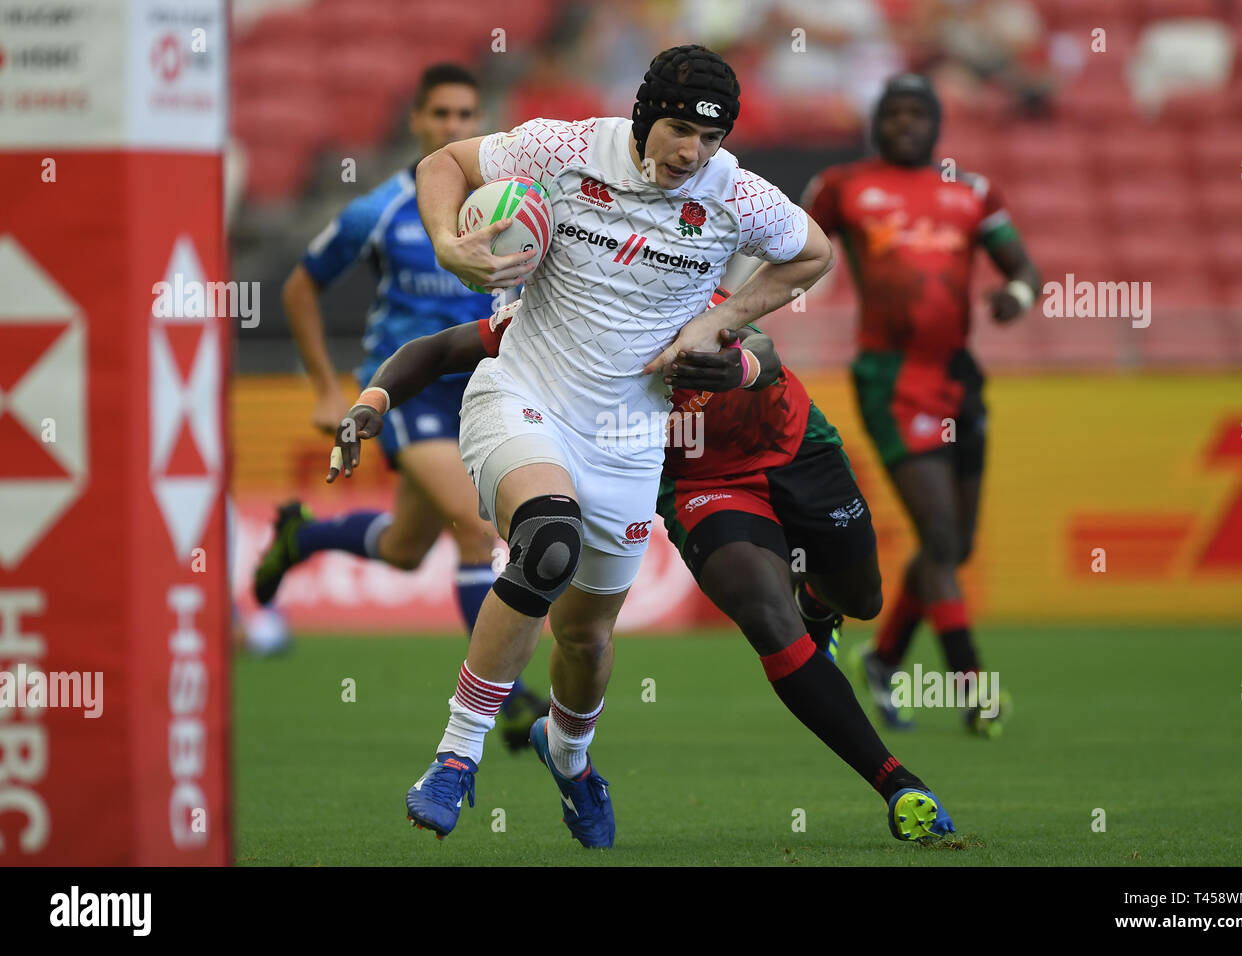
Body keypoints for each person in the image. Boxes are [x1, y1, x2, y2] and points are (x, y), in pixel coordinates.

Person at [399, 44, 834, 847]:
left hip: (630, 438)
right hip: (524, 395)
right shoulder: (565, 149)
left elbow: (814, 254)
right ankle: (455, 756)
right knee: (547, 541)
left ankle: (569, 755)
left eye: (708, 139)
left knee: (587, 637)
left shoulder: (734, 192)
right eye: (676, 131)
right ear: (643, 119)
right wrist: (446, 242)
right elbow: (444, 164)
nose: (689, 153)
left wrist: (719, 322)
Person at [328, 288, 956, 842]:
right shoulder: (564, 314)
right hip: (697, 487)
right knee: (761, 615)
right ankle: (899, 784)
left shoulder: (686, 294)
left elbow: (762, 350)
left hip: (794, 449)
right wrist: (373, 401)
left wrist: (735, 365)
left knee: (860, 597)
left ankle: (819, 605)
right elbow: (442, 350)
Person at [252, 63, 547, 748]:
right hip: (407, 391)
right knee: (477, 535)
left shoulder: (513, 209)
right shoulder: (378, 209)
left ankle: (303, 536)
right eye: (440, 115)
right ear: (416, 119)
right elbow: (300, 287)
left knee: (407, 548)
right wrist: (328, 387)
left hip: (480, 391)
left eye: (465, 116)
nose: (452, 127)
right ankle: (506, 700)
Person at [802, 73, 1040, 734]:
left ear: (936, 124)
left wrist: (1015, 299)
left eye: (917, 112)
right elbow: (789, 247)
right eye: (894, 111)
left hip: (960, 375)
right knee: (936, 535)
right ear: (878, 122)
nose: (905, 122)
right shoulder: (842, 186)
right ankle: (974, 691)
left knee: (954, 544)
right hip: (891, 376)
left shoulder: (972, 192)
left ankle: (881, 661)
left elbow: (1024, 270)